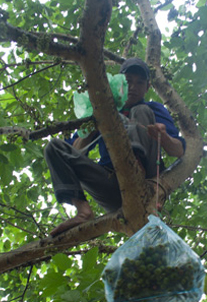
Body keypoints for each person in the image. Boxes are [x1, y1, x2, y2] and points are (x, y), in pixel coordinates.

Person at [44, 58, 185, 237]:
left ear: (147, 87)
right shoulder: (101, 110)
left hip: (146, 181)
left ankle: (136, 168)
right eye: (128, 81)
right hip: (111, 185)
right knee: (54, 148)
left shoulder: (152, 108)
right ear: (118, 82)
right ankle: (83, 210)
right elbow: (75, 149)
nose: (133, 86)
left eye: (139, 82)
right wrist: (93, 124)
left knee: (140, 111)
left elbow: (179, 150)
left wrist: (163, 136)